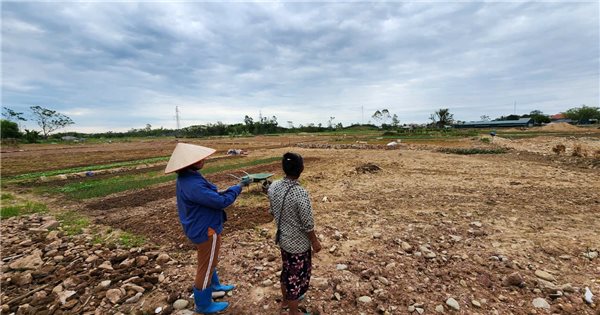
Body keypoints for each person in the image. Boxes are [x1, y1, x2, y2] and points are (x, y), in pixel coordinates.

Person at [165, 143, 251, 314]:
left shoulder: (190, 178)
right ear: (191, 163)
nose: (203, 159)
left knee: (209, 260)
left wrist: (229, 189)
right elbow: (220, 201)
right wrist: (238, 188)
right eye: (200, 158)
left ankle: (215, 286)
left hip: (202, 225)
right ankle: (203, 304)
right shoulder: (192, 183)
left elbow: (211, 196)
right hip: (206, 229)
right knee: (205, 266)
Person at [268, 152, 322, 315]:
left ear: (284, 168)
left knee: (287, 270)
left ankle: (285, 301)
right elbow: (308, 224)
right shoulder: (300, 193)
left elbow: (272, 211)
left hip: (283, 239)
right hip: (298, 245)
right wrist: (315, 241)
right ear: (301, 169)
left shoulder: (274, 186)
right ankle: (293, 312)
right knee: (295, 279)